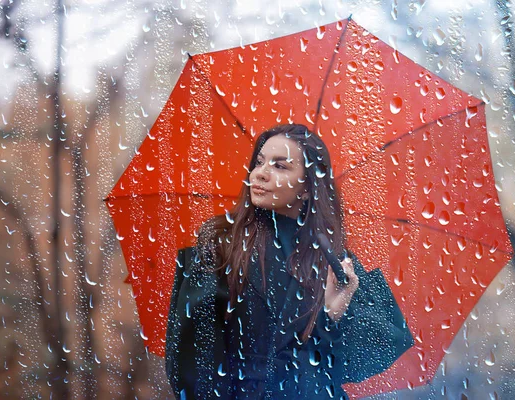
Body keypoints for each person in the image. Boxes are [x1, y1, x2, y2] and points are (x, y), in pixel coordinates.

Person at [166, 124, 413, 399]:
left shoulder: (333, 261)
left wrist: (333, 314)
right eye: (259, 162)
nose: (260, 173)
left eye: (280, 166)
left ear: (307, 187)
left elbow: (354, 363)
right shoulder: (221, 245)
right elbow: (193, 362)